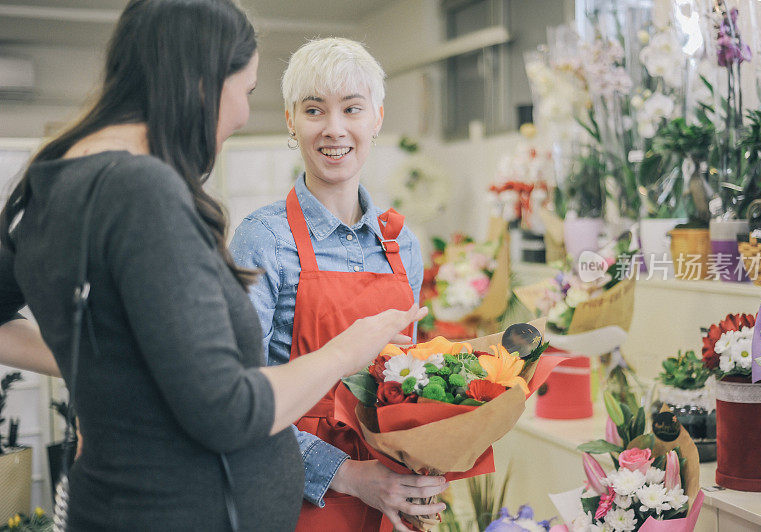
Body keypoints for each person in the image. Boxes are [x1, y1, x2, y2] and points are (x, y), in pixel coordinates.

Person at [0, 2, 425, 530]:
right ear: (201, 81)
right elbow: (231, 409)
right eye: (244, 91)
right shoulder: (144, 191)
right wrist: (346, 352)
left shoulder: (59, 177)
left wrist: (108, 366)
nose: (244, 115)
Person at [229, 38, 446, 532]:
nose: (334, 129)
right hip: (295, 498)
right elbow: (238, 402)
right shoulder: (262, 240)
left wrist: (428, 461)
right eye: (314, 110)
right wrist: (346, 475)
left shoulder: (401, 244)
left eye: (352, 108)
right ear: (290, 120)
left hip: (390, 493)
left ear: (377, 118)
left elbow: (403, 387)